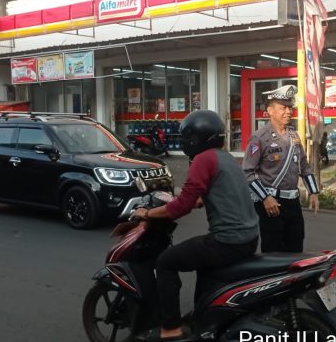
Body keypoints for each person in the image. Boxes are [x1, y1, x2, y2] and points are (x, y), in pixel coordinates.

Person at [133, 110, 259, 341]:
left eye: (187, 138)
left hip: (227, 241)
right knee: (204, 265)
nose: (185, 142)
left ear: (196, 138)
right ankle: (204, 318)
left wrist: (148, 213)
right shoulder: (225, 156)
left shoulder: (203, 159)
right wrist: (201, 199)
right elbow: (217, 192)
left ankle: (171, 328)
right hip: (249, 238)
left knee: (165, 262)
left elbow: (181, 207)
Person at [242, 85, 320, 253]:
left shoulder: (294, 136)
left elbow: (304, 166)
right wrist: (265, 198)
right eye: (283, 108)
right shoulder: (259, 137)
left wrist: (313, 192)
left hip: (293, 202)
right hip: (272, 203)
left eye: (289, 107)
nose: (288, 111)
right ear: (270, 111)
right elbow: (247, 172)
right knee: (273, 251)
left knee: (295, 247)